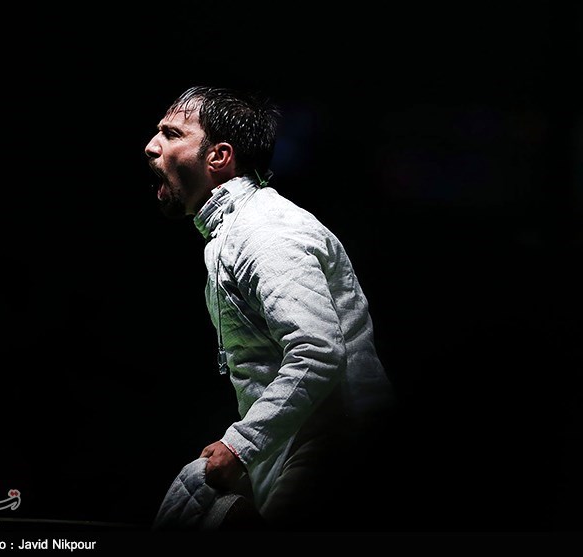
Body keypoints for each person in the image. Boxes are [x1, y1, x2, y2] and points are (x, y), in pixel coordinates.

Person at [144, 86, 397, 531]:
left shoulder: (267, 232)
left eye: (171, 133)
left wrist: (241, 445)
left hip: (336, 439)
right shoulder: (235, 230)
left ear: (218, 157)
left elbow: (317, 350)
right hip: (299, 435)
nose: (151, 145)